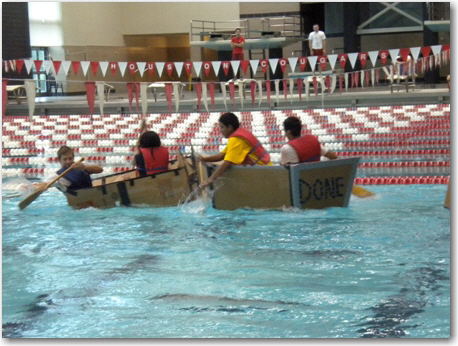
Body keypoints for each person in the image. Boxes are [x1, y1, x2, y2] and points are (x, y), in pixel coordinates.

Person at [199, 112, 272, 188]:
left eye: (222, 127)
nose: (220, 130)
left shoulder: (236, 140)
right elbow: (222, 155)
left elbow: (226, 163)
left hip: (263, 173)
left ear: (230, 127)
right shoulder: (238, 135)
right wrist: (204, 159)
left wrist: (209, 180)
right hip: (264, 170)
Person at [34, 146, 103, 192]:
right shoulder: (57, 176)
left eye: (70, 158)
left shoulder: (80, 167)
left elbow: (100, 169)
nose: (68, 162)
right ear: (59, 160)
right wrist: (36, 187)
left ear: (73, 158)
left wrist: (84, 167)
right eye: (65, 159)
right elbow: (44, 183)